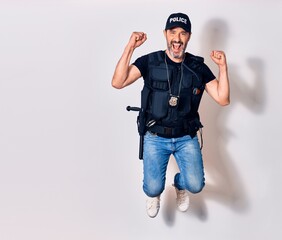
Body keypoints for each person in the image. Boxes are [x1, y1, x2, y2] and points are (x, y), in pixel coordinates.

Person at [112, 12, 230, 218]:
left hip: (186, 137)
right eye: (173, 32)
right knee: (152, 189)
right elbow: (118, 82)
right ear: (165, 34)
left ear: (189, 37)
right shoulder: (150, 61)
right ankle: (154, 193)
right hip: (155, 138)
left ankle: (178, 184)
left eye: (183, 33)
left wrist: (223, 67)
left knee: (195, 184)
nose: (177, 38)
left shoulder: (197, 67)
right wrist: (130, 46)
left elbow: (222, 98)